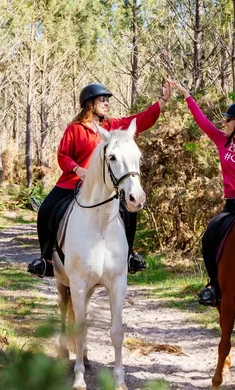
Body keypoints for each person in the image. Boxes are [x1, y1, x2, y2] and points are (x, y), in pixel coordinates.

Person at [27, 81, 172, 278]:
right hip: (73, 182)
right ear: (90, 104)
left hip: (104, 185)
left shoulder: (112, 126)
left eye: (107, 100)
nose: (106, 103)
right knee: (46, 210)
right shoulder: (74, 129)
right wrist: (78, 170)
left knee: (130, 211)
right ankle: (46, 260)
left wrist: (162, 101)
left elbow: (140, 120)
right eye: (102, 100)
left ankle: (129, 255)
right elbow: (63, 156)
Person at [171, 80, 235, 306]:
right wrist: (187, 96)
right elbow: (203, 122)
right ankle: (214, 285)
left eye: (228, 119)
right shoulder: (222, 141)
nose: (224, 122)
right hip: (231, 205)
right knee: (210, 234)